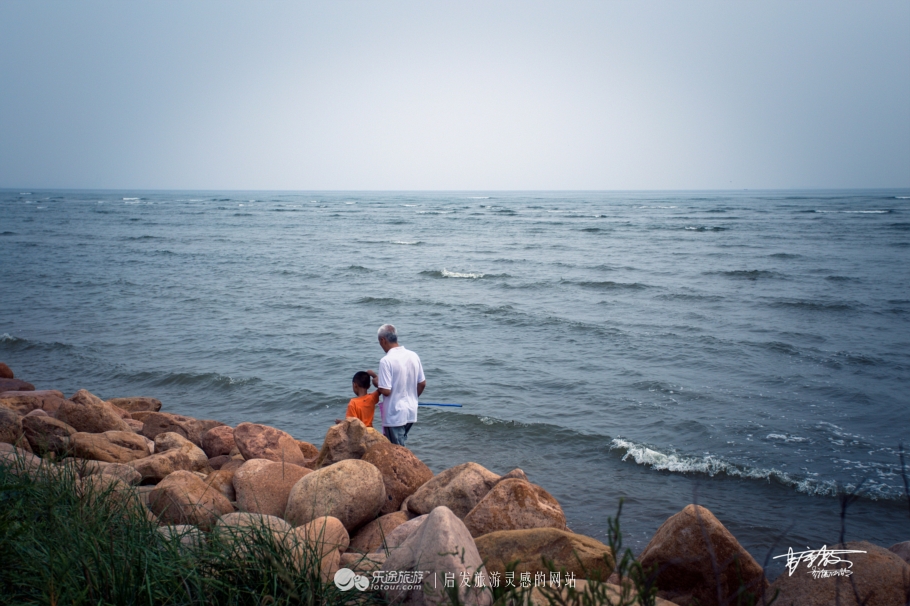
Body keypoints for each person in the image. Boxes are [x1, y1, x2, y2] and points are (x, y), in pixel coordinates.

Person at [375, 324, 425, 446]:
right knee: (401, 443)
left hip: (394, 414)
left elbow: (386, 391)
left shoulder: (386, 360)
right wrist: (413, 398)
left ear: (383, 340)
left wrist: (377, 383)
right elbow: (422, 383)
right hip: (411, 410)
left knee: (397, 450)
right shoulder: (413, 355)